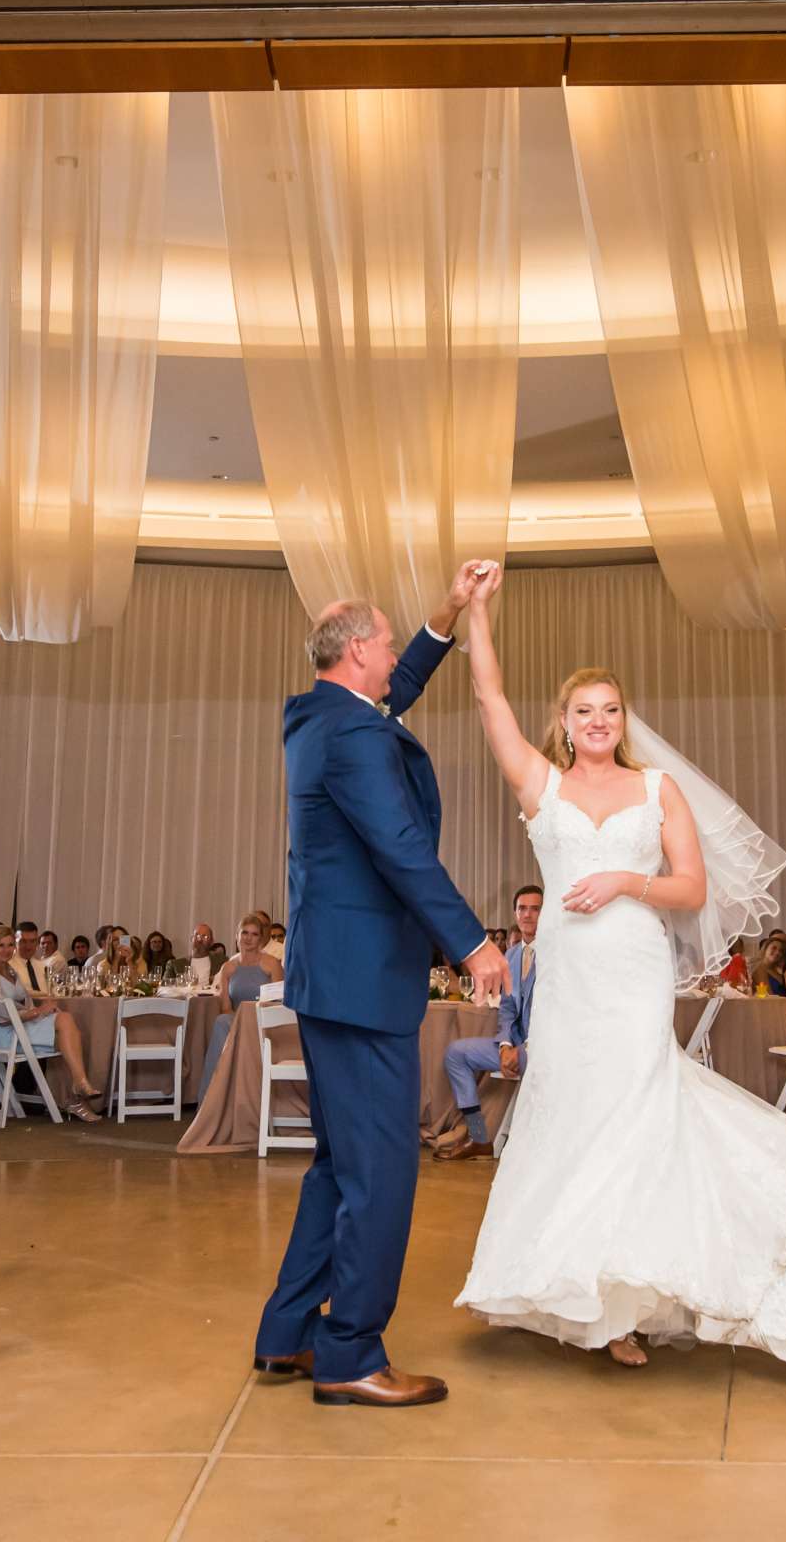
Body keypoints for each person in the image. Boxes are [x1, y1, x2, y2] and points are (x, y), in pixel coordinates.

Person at [450, 560, 786, 1370]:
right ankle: (581, 1295)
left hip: (630, 975)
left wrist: (628, 880)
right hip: (568, 988)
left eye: (610, 709)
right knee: (568, 1122)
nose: (597, 720)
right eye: (583, 710)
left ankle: (622, 1308)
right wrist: (476, 610)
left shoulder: (657, 789)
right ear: (562, 718)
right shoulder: (540, 787)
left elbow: (692, 889)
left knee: (633, 1123)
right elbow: (489, 699)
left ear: (625, 719)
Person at [254, 565, 510, 1411]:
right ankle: (350, 1354)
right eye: (389, 641)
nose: (396, 654)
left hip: (333, 977)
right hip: (365, 982)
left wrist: (447, 615)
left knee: (340, 1165)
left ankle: (290, 1332)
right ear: (358, 649)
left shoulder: (318, 716)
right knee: (383, 1173)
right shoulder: (356, 737)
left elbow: (396, 689)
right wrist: (472, 942)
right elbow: (401, 846)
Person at [432, 886, 543, 1161]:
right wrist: (506, 1045)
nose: (528, 915)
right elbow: (506, 1008)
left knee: (533, 1063)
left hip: (545, 1048)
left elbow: (556, 1011)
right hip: (514, 1044)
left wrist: (525, 1048)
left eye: (535, 908)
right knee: (456, 1054)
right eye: (522, 909)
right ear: (515, 913)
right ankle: (479, 1137)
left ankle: (534, 1148)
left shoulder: (557, 955)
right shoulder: (512, 955)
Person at [0, 929, 101, 1121]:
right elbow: (3, 1014)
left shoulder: (10, 970)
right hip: (3, 1034)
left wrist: (42, 1012)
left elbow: (26, 1002)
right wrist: (39, 1012)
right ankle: (74, 1096)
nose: (7, 950)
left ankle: (77, 1087)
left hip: (20, 1027)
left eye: (10, 945)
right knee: (68, 1036)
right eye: (1, 945)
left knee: (66, 1026)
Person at [197, 912, 286, 1100]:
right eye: (244, 933)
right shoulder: (228, 968)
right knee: (222, 1021)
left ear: (261, 938)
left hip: (264, 1021)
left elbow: (278, 1002)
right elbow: (226, 1007)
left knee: (224, 1023)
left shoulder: (272, 964)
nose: (248, 938)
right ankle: (211, 1099)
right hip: (236, 1021)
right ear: (237, 936)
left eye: (254, 934)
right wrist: (240, 1021)